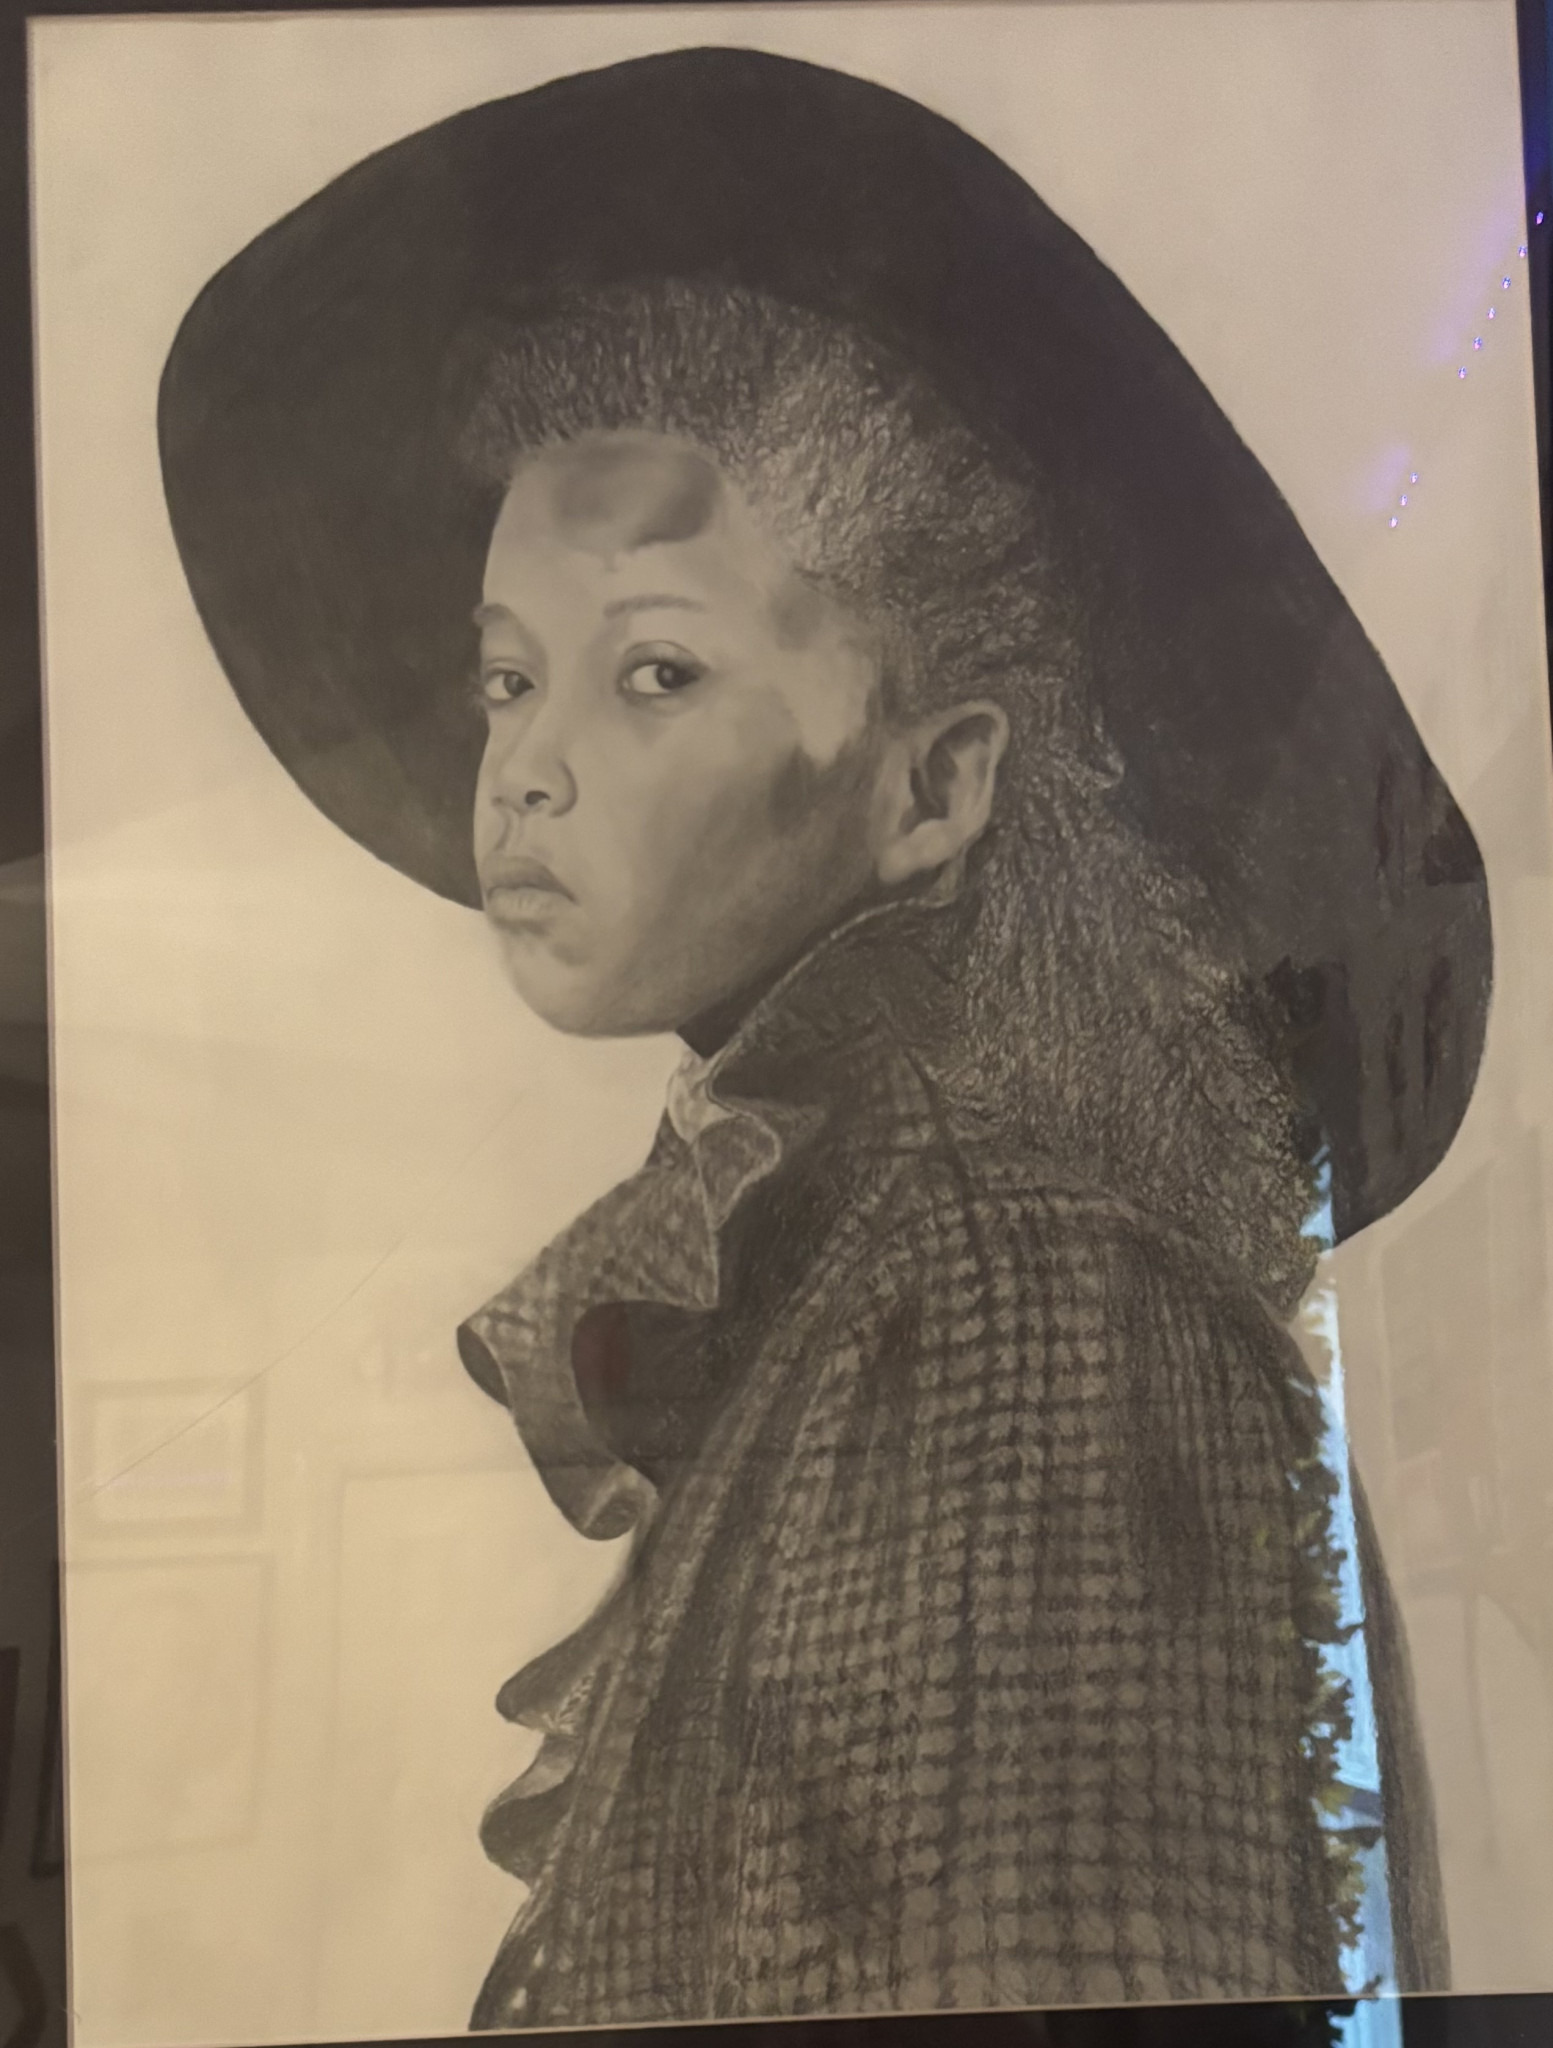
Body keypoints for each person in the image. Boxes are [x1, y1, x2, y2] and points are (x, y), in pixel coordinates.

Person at [158, 45, 1487, 2030]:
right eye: (507, 678)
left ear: (934, 784)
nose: (522, 768)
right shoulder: (875, 1265)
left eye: (653, 672)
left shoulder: (1020, 1298)